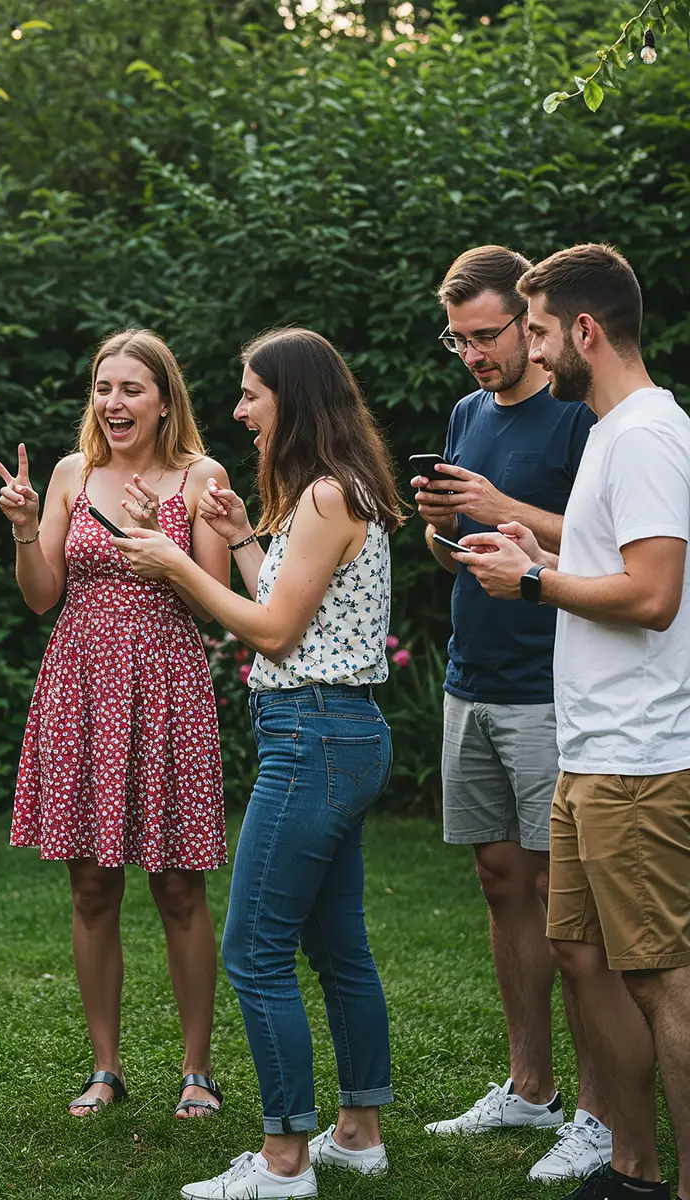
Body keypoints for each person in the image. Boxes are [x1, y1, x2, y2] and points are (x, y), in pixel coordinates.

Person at [113, 328, 403, 1199]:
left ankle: (285, 1161)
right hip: (337, 732)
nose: (238, 411)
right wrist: (241, 541)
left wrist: (171, 561)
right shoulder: (332, 492)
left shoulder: (322, 496)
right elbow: (287, 610)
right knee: (337, 944)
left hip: (313, 738)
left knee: (254, 950)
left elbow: (271, 633)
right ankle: (359, 1133)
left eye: (250, 395)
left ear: (293, 399)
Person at [455, 243, 690, 1200]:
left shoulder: (645, 436)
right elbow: (610, 559)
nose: (536, 352)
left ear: (585, 330)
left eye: (541, 331)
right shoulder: (605, 433)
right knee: (583, 953)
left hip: (641, 754)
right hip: (590, 746)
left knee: (663, 980)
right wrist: (529, 542)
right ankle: (628, 1163)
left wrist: (535, 579)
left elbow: (655, 594)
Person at [0, 329, 232, 1120]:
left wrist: (159, 545)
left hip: (167, 685)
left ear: (165, 400)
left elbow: (216, 608)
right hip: (81, 682)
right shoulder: (71, 474)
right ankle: (105, 1067)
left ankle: (197, 1069)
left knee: (178, 886)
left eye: (131, 389)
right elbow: (39, 595)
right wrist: (26, 530)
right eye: (103, 388)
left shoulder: (201, 478)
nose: (114, 403)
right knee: (92, 884)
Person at [416, 246, 608, 1182]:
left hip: (549, 683)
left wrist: (499, 503)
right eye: (459, 341)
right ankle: (530, 1089)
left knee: (572, 909)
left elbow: (607, 542)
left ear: (529, 326)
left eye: (488, 336)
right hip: (471, 677)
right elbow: (481, 532)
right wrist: (447, 532)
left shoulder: (582, 411)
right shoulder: (464, 412)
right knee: (500, 881)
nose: (475, 356)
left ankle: (603, 1111)